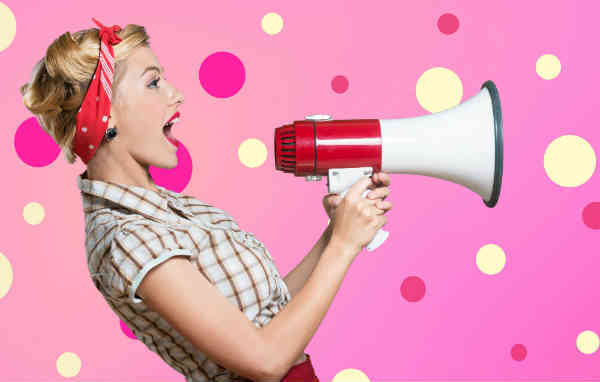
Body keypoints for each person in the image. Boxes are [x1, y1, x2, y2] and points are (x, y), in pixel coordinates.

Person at [19, 18, 393, 382]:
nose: (176, 94)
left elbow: (265, 314)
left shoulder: (177, 210)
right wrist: (343, 246)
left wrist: (335, 232)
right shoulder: (128, 238)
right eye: (153, 83)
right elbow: (265, 361)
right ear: (106, 115)